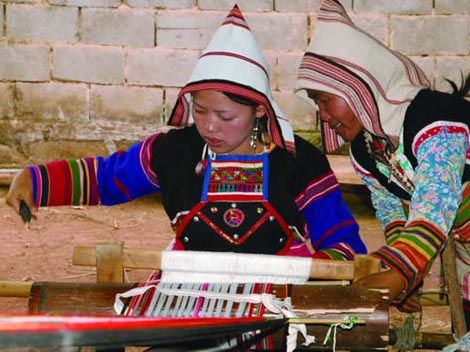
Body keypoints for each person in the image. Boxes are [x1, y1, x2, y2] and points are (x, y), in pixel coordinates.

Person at [7, 5, 366, 263]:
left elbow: (341, 239)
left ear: (260, 108)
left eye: (226, 115)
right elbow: (106, 178)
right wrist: (36, 180)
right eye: (200, 110)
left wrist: (320, 274)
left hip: (278, 305)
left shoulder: (298, 162)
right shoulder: (173, 152)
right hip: (193, 296)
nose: (209, 127)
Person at [294, 0, 470, 319]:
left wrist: (403, 268)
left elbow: (435, 203)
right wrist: (401, 270)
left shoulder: (434, 122)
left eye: (325, 100)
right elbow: (392, 212)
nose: (322, 115)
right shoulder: (366, 150)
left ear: (357, 88)